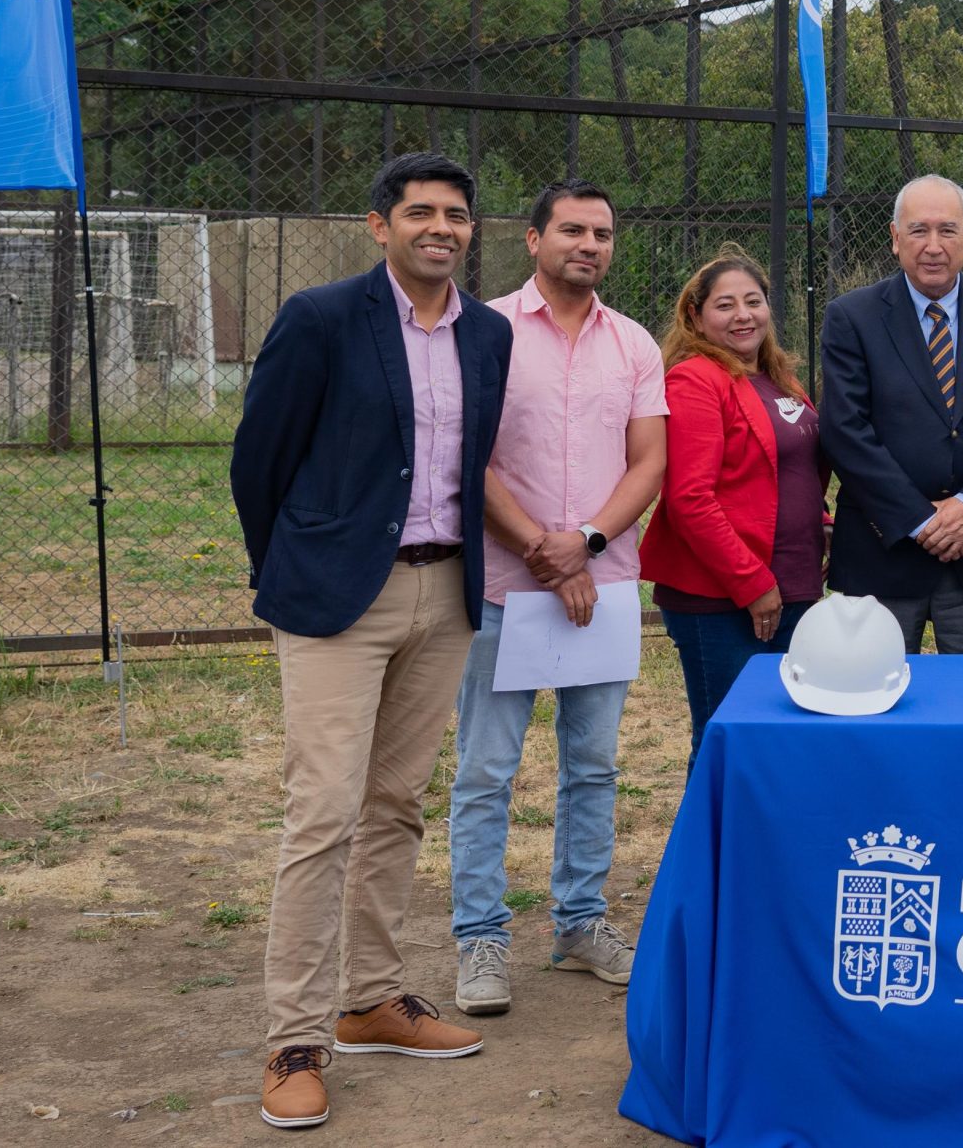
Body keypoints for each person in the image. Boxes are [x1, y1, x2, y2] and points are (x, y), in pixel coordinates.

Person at [228, 153, 513, 1129]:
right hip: (336, 602)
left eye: (457, 215)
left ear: (473, 230)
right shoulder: (321, 318)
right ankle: (293, 1037)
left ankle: (372, 998)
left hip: (446, 593)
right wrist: (297, 567)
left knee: (395, 803)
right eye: (421, 211)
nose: (441, 226)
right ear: (378, 223)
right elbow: (258, 459)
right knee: (324, 811)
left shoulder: (487, 332)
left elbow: (471, 462)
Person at [449, 181, 667, 1019]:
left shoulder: (635, 344)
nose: (590, 244)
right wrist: (545, 550)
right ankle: (481, 938)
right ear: (533, 238)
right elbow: (467, 456)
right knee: (485, 771)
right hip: (509, 589)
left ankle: (579, 923)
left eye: (603, 233)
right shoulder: (486, 331)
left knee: (596, 766)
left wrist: (588, 543)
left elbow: (647, 462)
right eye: (571, 230)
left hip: (603, 592)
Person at [818, 175, 963, 653]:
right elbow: (845, 430)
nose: (933, 246)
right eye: (918, 230)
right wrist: (922, 521)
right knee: (874, 708)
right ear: (895, 238)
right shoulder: (851, 318)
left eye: (947, 230)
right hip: (884, 550)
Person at [641, 246, 829, 755]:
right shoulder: (694, 380)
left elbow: (793, 466)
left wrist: (821, 520)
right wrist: (752, 583)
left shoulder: (776, 377)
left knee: (778, 741)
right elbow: (689, 498)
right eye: (725, 305)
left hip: (791, 585)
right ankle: (711, 838)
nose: (743, 315)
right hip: (722, 599)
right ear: (695, 317)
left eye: (753, 301)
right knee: (727, 739)